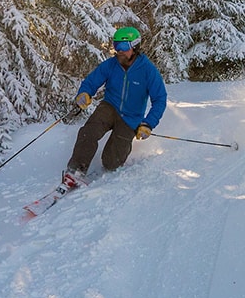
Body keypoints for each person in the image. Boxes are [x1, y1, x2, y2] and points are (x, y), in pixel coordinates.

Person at [63, 26, 167, 187]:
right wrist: (84, 93)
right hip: (109, 107)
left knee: (111, 163)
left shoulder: (148, 71)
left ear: (135, 46)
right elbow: (91, 82)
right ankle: (75, 171)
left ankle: (115, 155)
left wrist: (148, 123)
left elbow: (160, 99)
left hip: (131, 118)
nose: (119, 51)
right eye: (116, 46)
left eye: (123, 47)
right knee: (88, 132)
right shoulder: (110, 65)